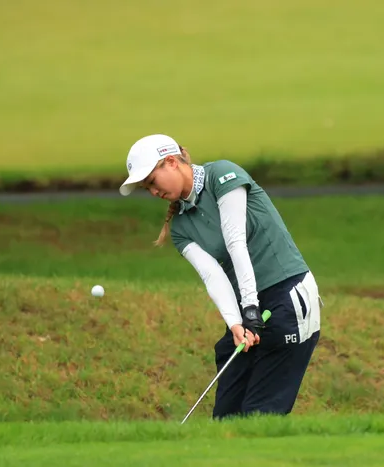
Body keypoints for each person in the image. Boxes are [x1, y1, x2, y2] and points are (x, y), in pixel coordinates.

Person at [119, 133, 322, 420]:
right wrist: (236, 323)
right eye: (147, 188)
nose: (153, 192)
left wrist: (250, 308)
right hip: (247, 311)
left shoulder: (223, 175)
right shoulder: (181, 228)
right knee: (226, 417)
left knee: (259, 416)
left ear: (171, 162)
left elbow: (235, 240)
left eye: (152, 181)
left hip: (288, 297)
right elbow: (213, 277)